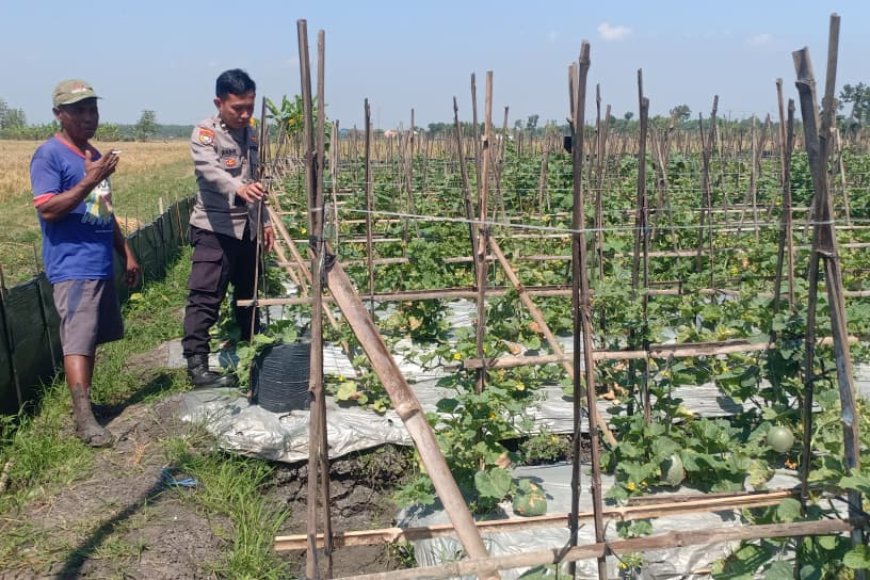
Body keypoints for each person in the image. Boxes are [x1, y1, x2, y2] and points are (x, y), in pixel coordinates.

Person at [30, 79, 141, 447]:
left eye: (92, 109)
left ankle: (87, 408)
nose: (88, 117)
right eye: (78, 111)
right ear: (58, 115)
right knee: (77, 340)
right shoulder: (50, 155)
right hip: (72, 263)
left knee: (89, 339)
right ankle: (83, 420)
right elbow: (47, 209)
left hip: (97, 262)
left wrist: (124, 253)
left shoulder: (92, 155)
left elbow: (104, 213)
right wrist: (90, 180)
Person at [181, 68, 275, 388]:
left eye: (250, 106)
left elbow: (258, 180)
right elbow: (210, 171)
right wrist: (237, 188)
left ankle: (252, 350)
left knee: (248, 294)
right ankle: (197, 365)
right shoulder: (204, 134)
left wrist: (265, 220)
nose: (245, 114)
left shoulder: (252, 134)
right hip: (214, 228)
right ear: (219, 102)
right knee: (206, 296)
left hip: (247, 227)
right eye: (238, 108)